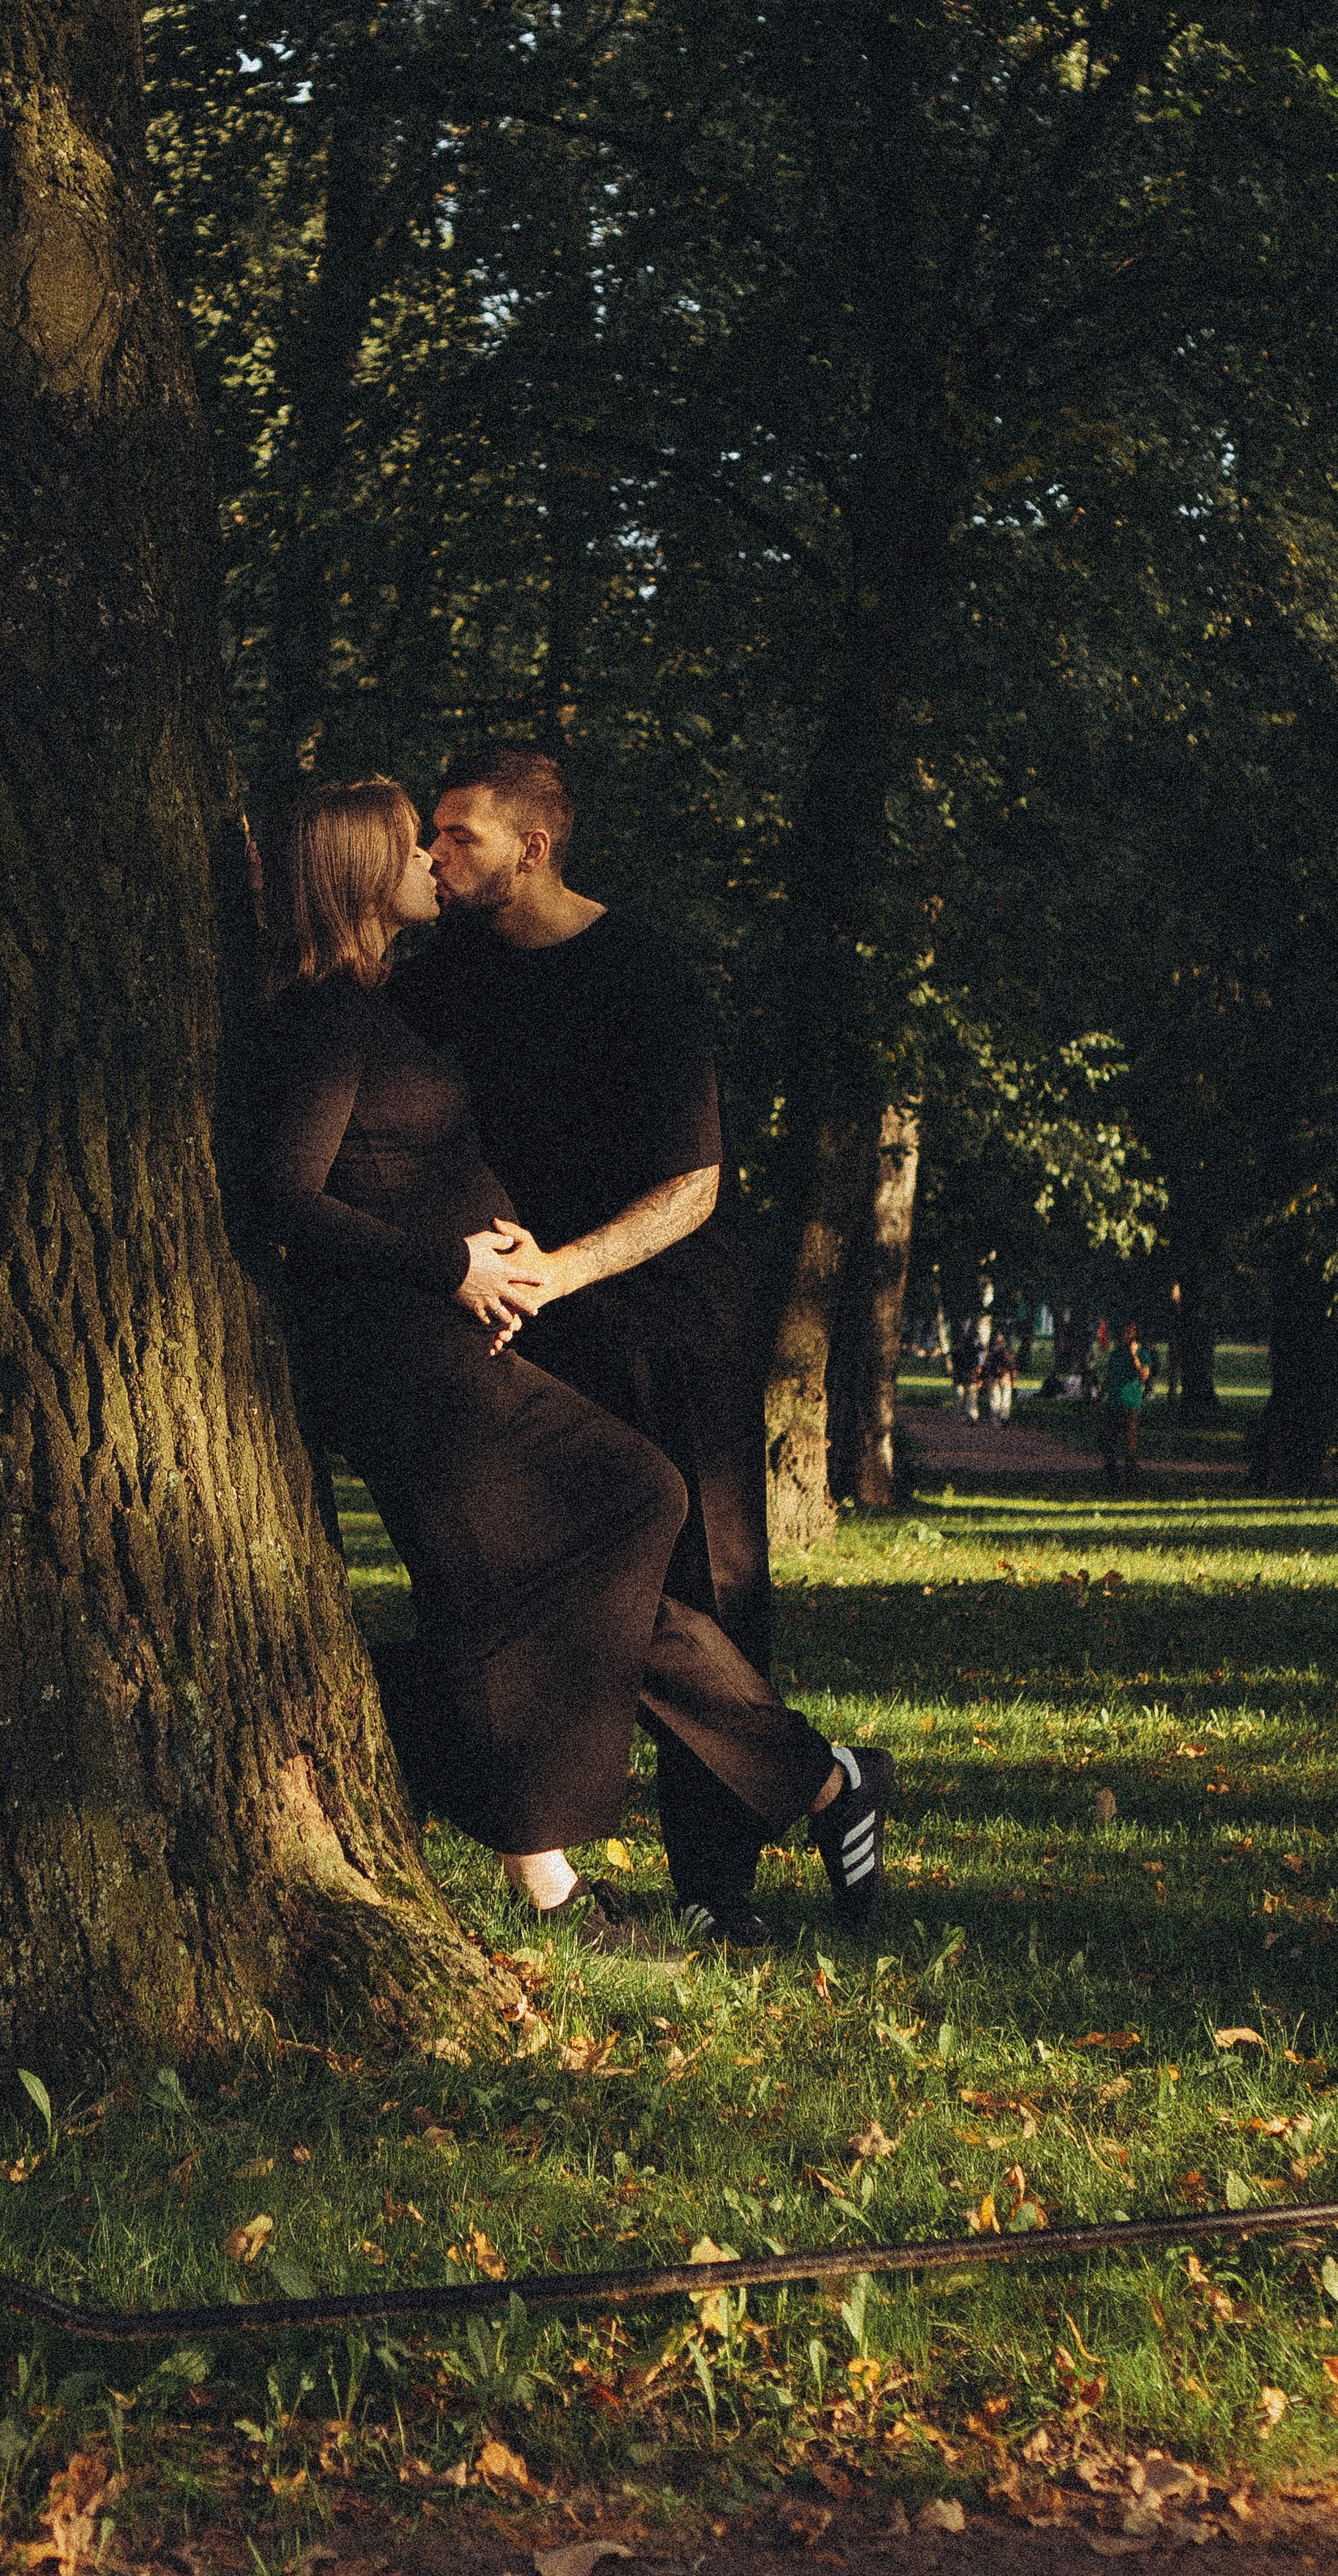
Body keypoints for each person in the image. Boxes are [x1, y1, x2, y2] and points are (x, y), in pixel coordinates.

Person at [254, 777, 893, 1951]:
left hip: (655, 1319)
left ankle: (715, 1879)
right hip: (482, 1329)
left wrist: (550, 1269)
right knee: (562, 1573)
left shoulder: (640, 974)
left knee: (678, 1574)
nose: (437, 859)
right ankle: (787, 1790)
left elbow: (693, 1185)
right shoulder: (412, 984)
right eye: (420, 840)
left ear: (532, 848)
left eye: (459, 838)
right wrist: (468, 1266)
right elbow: (311, 1167)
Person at [1100, 1319, 1151, 1488]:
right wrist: (1100, 1395)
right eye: (1124, 1332)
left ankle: (1131, 1479)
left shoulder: (1143, 1353)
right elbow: (1109, 1376)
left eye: (1129, 1332)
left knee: (1129, 1443)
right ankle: (1112, 1477)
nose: (1125, 1335)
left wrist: (1134, 1355)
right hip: (1113, 1402)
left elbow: (1143, 1376)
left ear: (1135, 1333)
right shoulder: (1116, 1354)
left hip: (1131, 1404)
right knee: (1108, 1441)